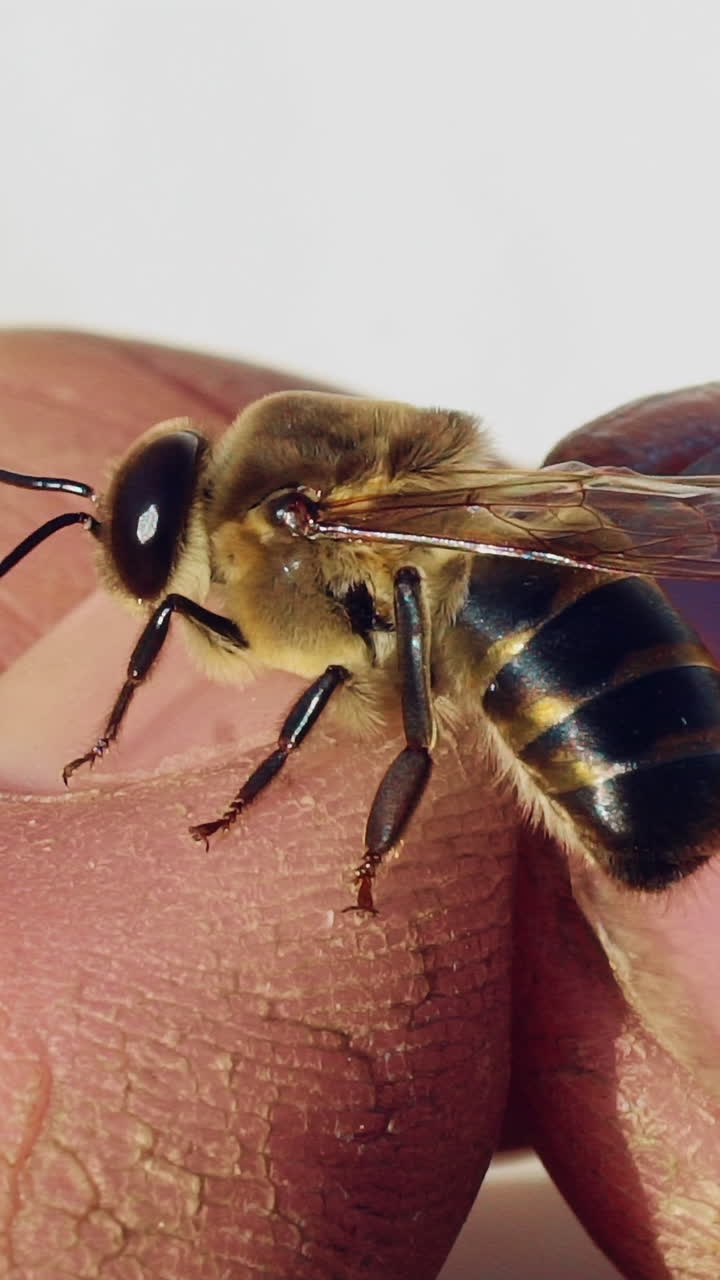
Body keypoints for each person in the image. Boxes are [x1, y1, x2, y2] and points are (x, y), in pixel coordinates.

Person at [0, 330, 717, 1278]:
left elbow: (345, 654)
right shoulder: (332, 505)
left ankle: (377, 817)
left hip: (581, 684)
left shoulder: (296, 520)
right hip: (582, 611)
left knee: (381, 637)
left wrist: (197, 756)